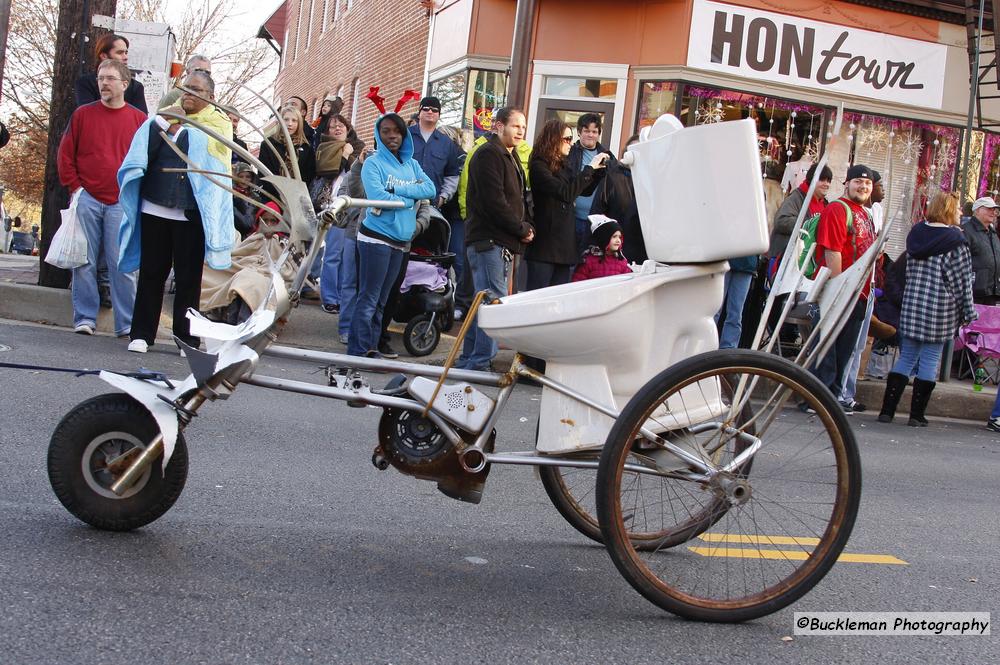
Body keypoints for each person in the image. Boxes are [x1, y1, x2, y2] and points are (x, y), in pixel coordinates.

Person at [118, 70, 234, 353]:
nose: (188, 95)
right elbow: (143, 150)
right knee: (151, 272)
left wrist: (179, 131)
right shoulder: (163, 117)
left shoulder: (219, 124)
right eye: (186, 89)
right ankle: (142, 334)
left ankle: (187, 339)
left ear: (211, 97)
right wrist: (162, 125)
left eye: (196, 90)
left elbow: (213, 157)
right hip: (154, 206)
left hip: (191, 212)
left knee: (188, 278)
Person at [57, 59, 146, 337]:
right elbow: (65, 154)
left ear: (124, 84)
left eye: (109, 78)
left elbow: (146, 161)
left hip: (122, 201)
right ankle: (84, 318)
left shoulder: (138, 120)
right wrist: (75, 188)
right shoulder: (83, 115)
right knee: (84, 261)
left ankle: (127, 323)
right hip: (87, 197)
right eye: (100, 78)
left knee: (123, 263)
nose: (103, 83)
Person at [878, 192, 976, 426]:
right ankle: (916, 415)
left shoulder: (916, 235)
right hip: (940, 308)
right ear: (950, 210)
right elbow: (961, 281)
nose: (961, 213)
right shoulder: (956, 241)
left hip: (912, 303)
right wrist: (968, 312)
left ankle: (887, 411)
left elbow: (907, 272)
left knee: (906, 357)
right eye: (958, 209)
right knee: (930, 360)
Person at [348, 113, 435, 357]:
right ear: (379, 134)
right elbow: (377, 197)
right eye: (386, 131)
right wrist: (410, 198)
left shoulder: (412, 165)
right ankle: (358, 350)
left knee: (382, 301)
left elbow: (430, 188)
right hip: (375, 239)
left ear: (404, 134)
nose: (392, 135)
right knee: (369, 299)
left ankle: (372, 347)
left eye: (396, 131)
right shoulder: (373, 163)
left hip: (401, 242)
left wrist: (397, 189)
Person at [457, 107, 534, 371]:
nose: (521, 131)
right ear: (499, 126)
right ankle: (479, 363)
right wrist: (520, 228)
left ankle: (471, 360)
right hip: (488, 241)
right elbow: (495, 202)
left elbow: (518, 199)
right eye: (516, 126)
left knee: (484, 303)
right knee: (492, 304)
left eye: (523, 126)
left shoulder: (508, 156)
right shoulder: (489, 154)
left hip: (498, 241)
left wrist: (525, 225)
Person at [807, 164, 877, 411]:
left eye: (867, 183)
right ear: (847, 183)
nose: (863, 186)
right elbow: (832, 250)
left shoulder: (866, 214)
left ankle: (833, 399)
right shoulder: (838, 209)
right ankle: (817, 399)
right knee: (828, 348)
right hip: (838, 291)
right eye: (858, 181)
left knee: (845, 349)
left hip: (860, 292)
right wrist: (839, 289)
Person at [525, 119, 607, 289]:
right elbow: (566, 193)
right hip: (546, 243)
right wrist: (589, 168)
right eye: (567, 139)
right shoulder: (539, 165)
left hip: (563, 244)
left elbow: (581, 191)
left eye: (571, 138)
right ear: (554, 139)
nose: (571, 143)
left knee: (558, 299)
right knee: (537, 296)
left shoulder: (563, 164)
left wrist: (597, 173)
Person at [839, 170, 886, 411]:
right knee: (843, 343)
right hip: (849, 286)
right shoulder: (843, 209)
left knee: (857, 344)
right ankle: (836, 392)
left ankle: (846, 392)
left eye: (870, 183)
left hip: (867, 286)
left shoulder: (871, 213)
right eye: (862, 182)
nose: (879, 189)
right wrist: (839, 284)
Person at [312, 114, 363, 314]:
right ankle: (330, 297)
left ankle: (343, 296)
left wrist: (350, 155)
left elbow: (356, 172)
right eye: (333, 127)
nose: (337, 129)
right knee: (332, 254)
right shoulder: (323, 148)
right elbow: (328, 171)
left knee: (346, 255)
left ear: (348, 128)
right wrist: (342, 155)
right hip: (330, 205)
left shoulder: (357, 148)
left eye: (341, 125)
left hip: (350, 206)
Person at [590, 133, 645, 264]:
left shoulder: (650, 179)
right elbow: (597, 211)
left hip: (642, 248)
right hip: (616, 247)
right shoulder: (613, 176)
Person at [568, 113, 613, 259]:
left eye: (594, 131)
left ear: (599, 134)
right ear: (579, 132)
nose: (590, 135)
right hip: (572, 218)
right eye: (586, 131)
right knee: (570, 263)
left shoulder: (607, 157)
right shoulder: (569, 153)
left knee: (589, 263)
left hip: (596, 220)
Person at [74, 34, 147, 114]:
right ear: (104, 56)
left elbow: (141, 121)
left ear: (124, 85)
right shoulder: (86, 83)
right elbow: (87, 114)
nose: (125, 57)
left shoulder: (135, 87)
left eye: (126, 52)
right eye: (120, 53)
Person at [259, 107, 316, 199]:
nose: (290, 124)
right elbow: (264, 173)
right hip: (272, 196)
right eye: (286, 119)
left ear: (299, 124)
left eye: (294, 120)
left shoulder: (306, 148)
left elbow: (309, 176)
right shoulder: (268, 144)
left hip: (298, 198)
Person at [960, 196, 1000, 305]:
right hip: (974, 292)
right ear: (977, 210)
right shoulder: (966, 231)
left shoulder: (992, 232)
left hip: (991, 292)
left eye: (994, 209)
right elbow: (960, 262)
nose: (993, 212)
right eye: (988, 209)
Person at [571, 216, 632, 282]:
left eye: (620, 237)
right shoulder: (588, 261)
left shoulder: (622, 262)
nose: (618, 240)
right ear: (603, 238)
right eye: (614, 237)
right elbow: (578, 283)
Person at [232, 162, 256, 240]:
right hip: (234, 236)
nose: (244, 180)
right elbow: (246, 224)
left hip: (250, 239)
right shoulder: (230, 195)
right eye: (240, 176)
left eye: (248, 177)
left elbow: (248, 223)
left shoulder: (255, 197)